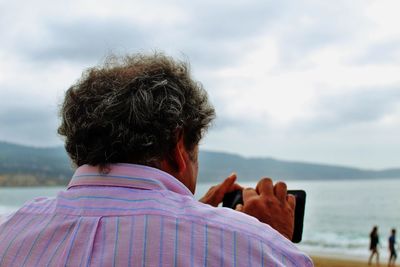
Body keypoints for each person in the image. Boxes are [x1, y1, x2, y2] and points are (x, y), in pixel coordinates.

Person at [0, 53, 313, 266]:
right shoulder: (256, 248)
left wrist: (196, 217)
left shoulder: (9, 231)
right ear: (178, 148)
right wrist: (271, 239)